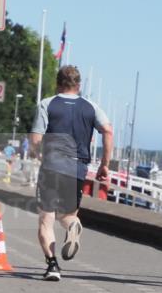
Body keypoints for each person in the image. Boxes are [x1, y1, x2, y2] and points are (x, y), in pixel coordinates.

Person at [30, 65, 113, 281]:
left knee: (46, 220)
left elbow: (36, 139)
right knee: (68, 216)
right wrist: (105, 164)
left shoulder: (47, 104)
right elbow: (108, 130)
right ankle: (73, 227)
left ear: (58, 84)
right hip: (77, 167)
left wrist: (37, 151)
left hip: (51, 166)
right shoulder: (91, 107)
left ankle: (52, 266)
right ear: (79, 86)